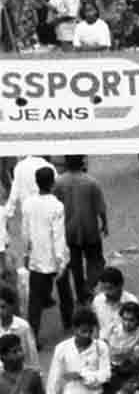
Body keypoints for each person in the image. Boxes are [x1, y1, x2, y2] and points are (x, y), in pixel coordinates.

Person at [53, 155, 107, 318]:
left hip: (68, 231)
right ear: (82, 162)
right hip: (90, 229)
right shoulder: (91, 182)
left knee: (75, 266)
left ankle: (81, 295)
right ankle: (90, 288)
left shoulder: (58, 183)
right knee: (96, 261)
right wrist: (105, 223)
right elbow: (100, 207)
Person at [21, 165, 67, 344]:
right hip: (54, 257)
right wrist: (61, 261)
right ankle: (68, 321)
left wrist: (26, 253)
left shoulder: (28, 204)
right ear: (53, 183)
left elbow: (25, 233)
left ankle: (33, 337)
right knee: (64, 292)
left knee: (35, 301)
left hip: (37, 259)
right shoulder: (57, 206)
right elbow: (58, 235)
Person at [107, 301, 139, 394]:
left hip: (134, 377)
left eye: (131, 320)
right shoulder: (114, 330)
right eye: (124, 319)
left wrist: (136, 358)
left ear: (137, 320)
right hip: (115, 376)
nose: (127, 323)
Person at [0, 287, 39, 371]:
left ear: (12, 306)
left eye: (3, 307)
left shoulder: (23, 326)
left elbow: (31, 353)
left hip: (19, 373)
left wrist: (36, 372)